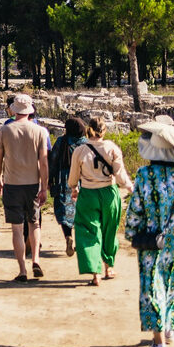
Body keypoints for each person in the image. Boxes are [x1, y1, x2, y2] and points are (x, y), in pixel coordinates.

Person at [125, 130, 174, 347]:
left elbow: (135, 208)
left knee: (152, 287)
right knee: (171, 284)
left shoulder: (144, 175)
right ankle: (169, 327)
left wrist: (131, 233)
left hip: (151, 242)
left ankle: (158, 344)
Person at [68, 116, 133, 286]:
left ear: (88, 130)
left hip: (88, 193)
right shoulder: (112, 148)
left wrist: (74, 188)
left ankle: (95, 272)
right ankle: (109, 267)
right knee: (109, 230)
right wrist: (129, 186)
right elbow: (120, 174)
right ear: (104, 130)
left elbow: (73, 176)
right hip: (109, 192)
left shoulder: (80, 150)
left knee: (89, 231)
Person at [0, 94, 48, 281]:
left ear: (14, 110)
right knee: (34, 223)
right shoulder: (40, 131)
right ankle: (36, 259)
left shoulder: (5, 130)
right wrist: (44, 187)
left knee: (17, 229)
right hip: (32, 183)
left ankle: (22, 270)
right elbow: (43, 162)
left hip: (12, 183)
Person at [48, 117, 87, 256]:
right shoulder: (86, 143)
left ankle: (68, 236)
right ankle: (81, 242)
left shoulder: (61, 141)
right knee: (82, 212)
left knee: (64, 212)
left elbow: (53, 161)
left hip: (64, 180)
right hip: (83, 181)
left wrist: (49, 179)